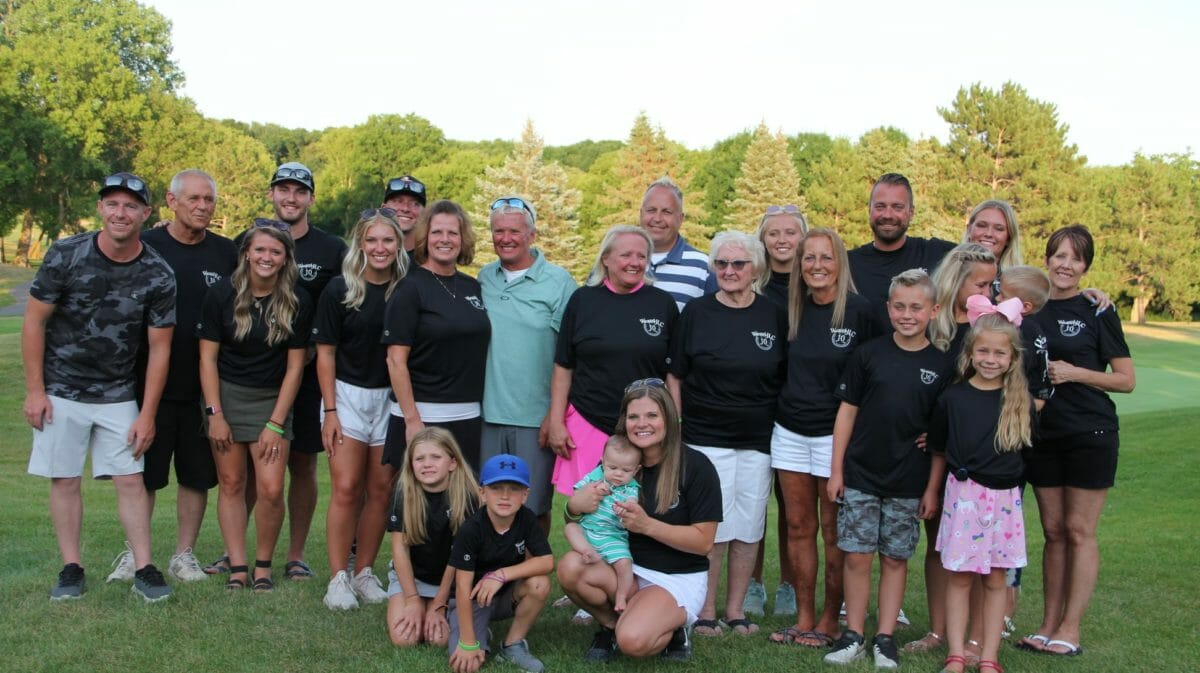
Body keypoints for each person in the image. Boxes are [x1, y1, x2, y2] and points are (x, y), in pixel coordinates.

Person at [24, 172, 176, 602]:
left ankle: (144, 567)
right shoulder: (66, 254)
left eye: (131, 206)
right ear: (100, 208)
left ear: (146, 213)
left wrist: (147, 414)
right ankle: (71, 568)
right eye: (112, 203)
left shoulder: (157, 273)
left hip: (117, 393)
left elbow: (160, 348)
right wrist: (35, 391)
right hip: (61, 389)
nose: (120, 212)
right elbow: (34, 321)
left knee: (130, 479)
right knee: (65, 478)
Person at [824, 269, 955, 669]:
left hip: (908, 480)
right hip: (862, 473)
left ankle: (885, 637)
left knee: (895, 558)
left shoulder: (941, 365)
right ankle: (854, 635)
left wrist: (932, 488)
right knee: (857, 556)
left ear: (933, 311)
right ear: (889, 308)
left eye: (916, 307)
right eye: (899, 306)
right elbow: (847, 413)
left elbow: (941, 436)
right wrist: (836, 471)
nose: (907, 314)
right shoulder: (869, 354)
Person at [1018, 225, 1135, 657]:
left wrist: (1075, 373)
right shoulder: (1030, 308)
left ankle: (1071, 628)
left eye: (1076, 258)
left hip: (1091, 432)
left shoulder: (1097, 310)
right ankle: (1047, 625)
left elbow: (1126, 380)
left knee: (1079, 530)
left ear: (1086, 266)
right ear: (1046, 259)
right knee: (1052, 531)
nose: (1066, 264)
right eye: (1059, 255)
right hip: (1043, 435)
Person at [666, 231, 787, 637]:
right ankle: (706, 608)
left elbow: (785, 375)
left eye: (738, 264)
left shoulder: (773, 315)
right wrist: (676, 430)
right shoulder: (696, 314)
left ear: (755, 269)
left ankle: (736, 610)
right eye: (721, 263)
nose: (729, 271)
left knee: (749, 525)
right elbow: (675, 376)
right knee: (712, 527)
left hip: (757, 439)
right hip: (703, 437)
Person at [768, 228, 880, 647]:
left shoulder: (862, 312)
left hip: (837, 439)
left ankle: (831, 619)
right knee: (798, 526)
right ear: (799, 266)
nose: (817, 266)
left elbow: (878, 375)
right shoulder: (790, 310)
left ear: (840, 263)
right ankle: (803, 616)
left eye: (825, 257)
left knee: (833, 531)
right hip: (790, 433)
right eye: (808, 258)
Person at [558, 381, 721, 663]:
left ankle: (674, 630)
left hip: (674, 576)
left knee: (633, 641)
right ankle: (610, 626)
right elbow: (579, 514)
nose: (641, 424)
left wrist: (647, 526)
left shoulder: (696, 466)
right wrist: (573, 508)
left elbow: (704, 542)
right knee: (570, 567)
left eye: (652, 416)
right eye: (633, 416)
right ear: (624, 420)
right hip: (626, 568)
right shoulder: (618, 462)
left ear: (668, 417)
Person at [124, 169, 236, 584]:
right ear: (172, 202)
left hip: (204, 385)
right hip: (147, 382)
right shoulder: (146, 245)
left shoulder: (227, 253)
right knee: (144, 475)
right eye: (194, 199)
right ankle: (135, 554)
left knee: (196, 476)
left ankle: (183, 555)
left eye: (209, 199)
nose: (203, 206)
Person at [197, 222, 313, 592]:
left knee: (271, 488)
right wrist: (215, 415)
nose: (266, 257)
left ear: (285, 259)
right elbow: (207, 360)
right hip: (226, 396)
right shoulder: (221, 294)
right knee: (231, 483)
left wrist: (276, 423)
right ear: (247, 253)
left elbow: (296, 366)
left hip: (272, 398)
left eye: (275, 252)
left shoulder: (298, 300)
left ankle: (263, 565)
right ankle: (238, 565)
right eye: (260, 250)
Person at [928, 308, 1034, 673]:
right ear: (971, 353)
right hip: (964, 499)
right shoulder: (953, 399)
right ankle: (956, 653)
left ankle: (989, 657)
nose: (990, 359)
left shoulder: (1020, 403)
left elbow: (1028, 459)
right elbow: (938, 450)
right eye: (983, 351)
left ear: (1012, 358)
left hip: (1005, 502)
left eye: (999, 353)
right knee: (959, 577)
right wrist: (930, 493)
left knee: (996, 580)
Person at [314, 209, 409, 609]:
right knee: (347, 487)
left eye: (388, 240)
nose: (380, 248)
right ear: (360, 244)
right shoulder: (340, 289)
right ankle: (338, 578)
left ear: (399, 246)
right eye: (372, 240)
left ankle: (364, 571)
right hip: (347, 397)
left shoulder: (406, 291)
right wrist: (331, 411)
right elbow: (325, 354)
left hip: (390, 399)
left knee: (381, 490)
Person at [547, 225, 678, 495]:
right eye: (626, 255)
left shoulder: (662, 303)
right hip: (587, 419)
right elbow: (563, 365)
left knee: (642, 508)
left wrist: (674, 424)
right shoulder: (582, 300)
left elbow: (673, 373)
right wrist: (557, 421)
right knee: (588, 508)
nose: (635, 262)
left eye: (642, 256)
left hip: (645, 426)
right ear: (605, 259)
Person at [478, 195, 576, 535]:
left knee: (533, 508)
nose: (506, 238)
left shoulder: (559, 282)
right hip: (487, 414)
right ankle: (490, 579)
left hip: (537, 419)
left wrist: (555, 415)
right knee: (487, 503)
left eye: (514, 231)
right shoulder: (483, 278)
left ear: (531, 235)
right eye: (498, 231)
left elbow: (569, 355)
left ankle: (530, 580)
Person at [382, 200, 491, 473]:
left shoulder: (473, 287)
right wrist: (412, 420)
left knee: (463, 506)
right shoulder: (409, 288)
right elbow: (395, 361)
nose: (445, 239)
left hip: (467, 415)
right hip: (422, 415)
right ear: (424, 237)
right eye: (437, 232)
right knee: (415, 508)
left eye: (452, 233)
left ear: (462, 238)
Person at [746, 204, 808, 616]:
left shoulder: (815, 284)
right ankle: (751, 582)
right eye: (774, 233)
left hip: (799, 408)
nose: (783, 240)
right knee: (753, 503)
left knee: (793, 506)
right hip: (755, 405)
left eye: (791, 232)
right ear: (762, 240)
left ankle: (789, 584)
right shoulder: (753, 286)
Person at [447, 454, 553, 673]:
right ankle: (475, 630)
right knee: (470, 663)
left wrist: (501, 574)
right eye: (496, 488)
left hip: (504, 595)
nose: (505, 496)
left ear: (525, 495)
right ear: (483, 493)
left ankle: (512, 645)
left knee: (539, 583)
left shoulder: (527, 518)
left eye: (514, 488)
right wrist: (468, 643)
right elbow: (462, 588)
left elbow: (546, 561)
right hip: (472, 599)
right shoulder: (471, 529)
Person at [387, 427, 480, 648]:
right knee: (404, 639)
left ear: (452, 463)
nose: (427, 464)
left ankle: (435, 606)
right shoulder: (404, 492)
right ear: (411, 465)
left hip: (452, 580)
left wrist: (440, 602)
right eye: (419, 458)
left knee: (440, 640)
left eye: (435, 457)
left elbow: (460, 555)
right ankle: (416, 604)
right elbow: (400, 550)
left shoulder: (467, 495)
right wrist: (411, 599)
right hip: (413, 577)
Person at [848, 173, 955, 327]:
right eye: (880, 206)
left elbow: (981, 258)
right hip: (865, 351)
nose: (888, 215)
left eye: (897, 207)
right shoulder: (849, 263)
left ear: (911, 212)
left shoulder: (936, 253)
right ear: (869, 210)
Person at [563, 435, 641, 612]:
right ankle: (587, 551)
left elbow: (632, 503)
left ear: (636, 471)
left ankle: (621, 596)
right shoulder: (595, 476)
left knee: (624, 564)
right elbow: (578, 493)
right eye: (612, 467)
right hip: (588, 529)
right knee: (570, 527)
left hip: (613, 536)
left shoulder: (631, 488)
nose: (618, 474)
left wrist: (626, 508)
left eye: (626, 470)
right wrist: (593, 490)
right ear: (602, 462)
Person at [640, 176, 717, 310]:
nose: (657, 218)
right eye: (651, 210)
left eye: (667, 212)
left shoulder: (705, 267)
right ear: (641, 214)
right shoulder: (617, 260)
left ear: (680, 219)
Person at [382, 175, 427, 254]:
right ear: (384, 208)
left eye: (414, 204)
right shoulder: (369, 256)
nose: (405, 209)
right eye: (398, 201)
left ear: (424, 212)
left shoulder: (433, 259)